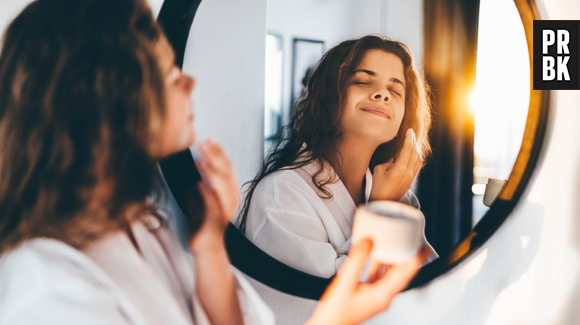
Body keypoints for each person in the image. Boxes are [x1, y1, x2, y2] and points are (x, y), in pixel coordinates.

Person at [0, 1, 428, 325]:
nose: (190, 82)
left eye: (396, 88)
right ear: (110, 98)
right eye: (169, 75)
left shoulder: (145, 227)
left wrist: (209, 249)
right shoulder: (47, 288)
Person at [239, 35, 438, 279]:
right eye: (364, 81)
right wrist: (380, 208)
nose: (383, 94)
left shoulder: (401, 198)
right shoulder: (280, 194)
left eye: (395, 90)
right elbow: (334, 303)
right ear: (329, 95)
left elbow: (429, 283)